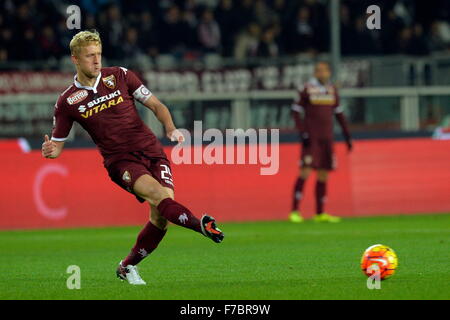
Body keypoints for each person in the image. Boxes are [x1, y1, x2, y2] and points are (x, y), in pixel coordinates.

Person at [41, 30, 224, 285]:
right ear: (75, 59)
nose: (96, 61)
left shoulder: (121, 76)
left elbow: (157, 106)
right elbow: (57, 146)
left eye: (99, 55)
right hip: (121, 162)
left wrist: (170, 128)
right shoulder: (68, 101)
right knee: (160, 197)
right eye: (90, 56)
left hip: (152, 151)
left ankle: (126, 267)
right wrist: (50, 151)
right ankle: (201, 225)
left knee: (161, 216)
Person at [289, 61, 352, 223]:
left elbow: (339, 115)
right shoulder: (306, 89)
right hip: (312, 138)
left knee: (323, 173)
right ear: (315, 73)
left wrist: (347, 137)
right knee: (306, 171)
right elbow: (296, 111)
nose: (321, 73)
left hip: (327, 138)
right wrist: (302, 132)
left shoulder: (332, 90)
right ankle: (295, 211)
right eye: (318, 70)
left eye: (324, 70)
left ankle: (320, 213)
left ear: (329, 72)